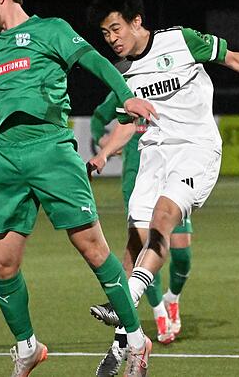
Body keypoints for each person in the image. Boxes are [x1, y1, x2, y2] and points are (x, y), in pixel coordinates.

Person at [0, 0, 158, 377]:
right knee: (3, 263)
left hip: (52, 152)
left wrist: (128, 96)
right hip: (7, 160)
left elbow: (96, 62)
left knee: (94, 250)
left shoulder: (51, 30)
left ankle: (136, 340)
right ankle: (28, 347)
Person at [85, 0, 239, 375]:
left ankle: (125, 304)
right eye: (105, 34)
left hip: (196, 149)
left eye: (116, 28)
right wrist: (101, 155)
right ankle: (128, 343)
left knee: (164, 218)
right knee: (133, 241)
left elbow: (232, 58)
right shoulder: (122, 74)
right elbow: (129, 125)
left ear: (136, 21)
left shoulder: (181, 41)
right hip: (153, 156)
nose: (111, 39)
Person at [90, 92, 193, 346]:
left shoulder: (169, 86)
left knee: (182, 254)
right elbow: (98, 118)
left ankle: (172, 299)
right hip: (137, 180)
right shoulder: (125, 90)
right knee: (144, 247)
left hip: (172, 175)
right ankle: (159, 314)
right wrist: (103, 143)